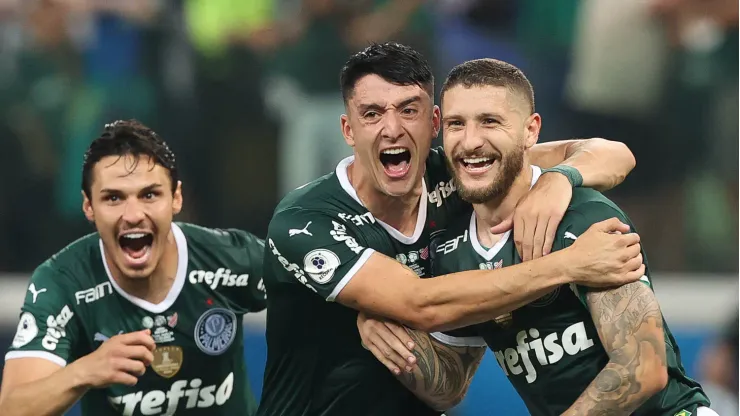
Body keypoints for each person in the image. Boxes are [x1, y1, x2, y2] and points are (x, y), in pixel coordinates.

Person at [256, 42, 644, 416]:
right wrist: (569, 265)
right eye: (372, 114)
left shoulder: (465, 175)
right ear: (348, 130)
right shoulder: (305, 219)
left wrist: (559, 180)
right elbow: (419, 303)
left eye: (409, 110)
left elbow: (615, 153)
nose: (391, 129)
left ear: (435, 122)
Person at [358, 58, 715, 415]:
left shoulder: (582, 216)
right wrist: (399, 346)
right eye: (456, 124)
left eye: (490, 122)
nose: (470, 142)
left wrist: (560, 178)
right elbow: (450, 388)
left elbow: (643, 369)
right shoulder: (450, 248)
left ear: (530, 131)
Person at [0, 120, 267, 416]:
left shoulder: (233, 258)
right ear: (88, 206)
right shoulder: (64, 282)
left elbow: (322, 300)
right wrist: (85, 370)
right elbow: (12, 409)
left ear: (176, 198)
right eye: (113, 198)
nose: (133, 215)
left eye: (149, 195)